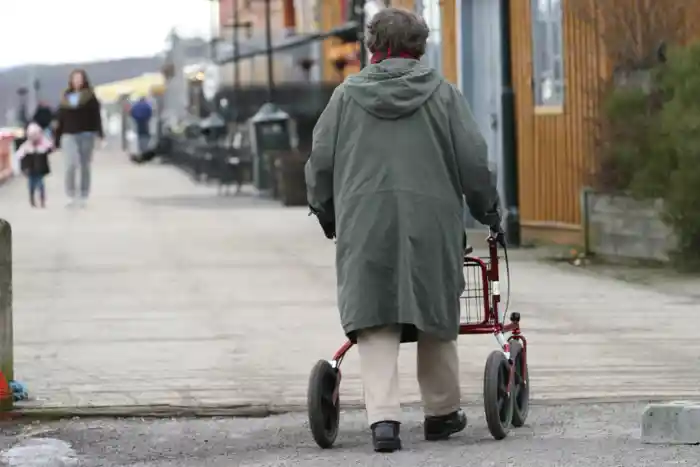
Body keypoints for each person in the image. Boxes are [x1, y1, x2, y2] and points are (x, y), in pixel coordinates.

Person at [305, 8, 503, 453]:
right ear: (420, 46)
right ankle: (441, 412)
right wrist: (489, 211)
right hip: (432, 220)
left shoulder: (346, 97)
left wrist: (327, 213)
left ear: (372, 45)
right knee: (434, 311)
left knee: (374, 315)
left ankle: (383, 422)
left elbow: (320, 162)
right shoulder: (444, 94)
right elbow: (474, 162)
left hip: (364, 220)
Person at [54, 69, 103, 208]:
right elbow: (60, 118)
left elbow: (96, 116)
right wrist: (56, 138)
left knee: (84, 165)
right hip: (68, 134)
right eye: (75, 78)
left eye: (79, 78)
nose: (77, 81)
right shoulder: (65, 97)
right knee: (70, 164)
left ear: (84, 80)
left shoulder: (90, 96)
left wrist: (100, 134)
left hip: (86, 134)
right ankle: (70, 194)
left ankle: (83, 194)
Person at [16, 122, 53, 208]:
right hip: (30, 168)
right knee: (31, 184)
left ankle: (42, 199)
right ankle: (32, 197)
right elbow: (19, 154)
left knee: (40, 184)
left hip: (39, 168)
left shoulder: (43, 143)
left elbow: (50, 147)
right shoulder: (27, 145)